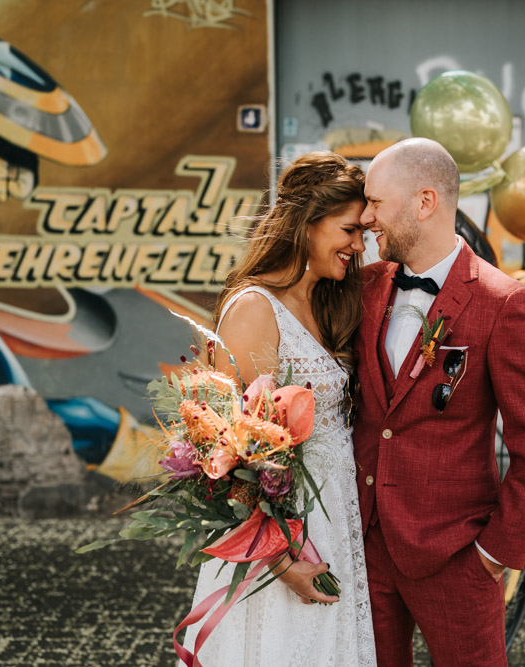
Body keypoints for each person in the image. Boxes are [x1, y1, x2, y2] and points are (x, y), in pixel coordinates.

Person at [353, 138, 525, 666]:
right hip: (366, 546)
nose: (365, 216)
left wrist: (495, 553)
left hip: (456, 554)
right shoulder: (363, 287)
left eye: (376, 202)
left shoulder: (503, 303)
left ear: (425, 203)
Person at [181, 152, 376, 666]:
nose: (359, 246)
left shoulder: (326, 302)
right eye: (349, 230)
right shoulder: (254, 308)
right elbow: (225, 453)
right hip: (284, 534)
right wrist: (281, 559)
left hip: (336, 518)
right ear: (306, 224)